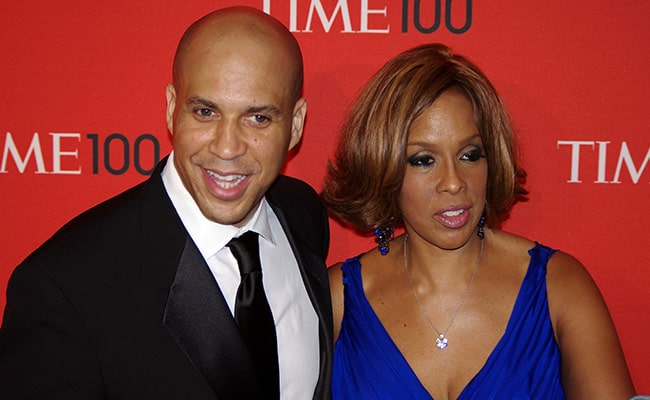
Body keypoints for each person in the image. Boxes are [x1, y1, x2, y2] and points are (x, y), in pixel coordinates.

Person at [0, 6, 332, 399]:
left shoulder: (301, 213)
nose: (227, 147)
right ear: (173, 109)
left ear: (295, 124)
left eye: (258, 118)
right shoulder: (64, 289)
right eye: (205, 112)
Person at [321, 43, 635, 399]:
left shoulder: (559, 287)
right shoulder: (337, 298)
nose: (454, 182)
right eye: (424, 160)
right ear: (383, 167)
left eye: (470, 155)